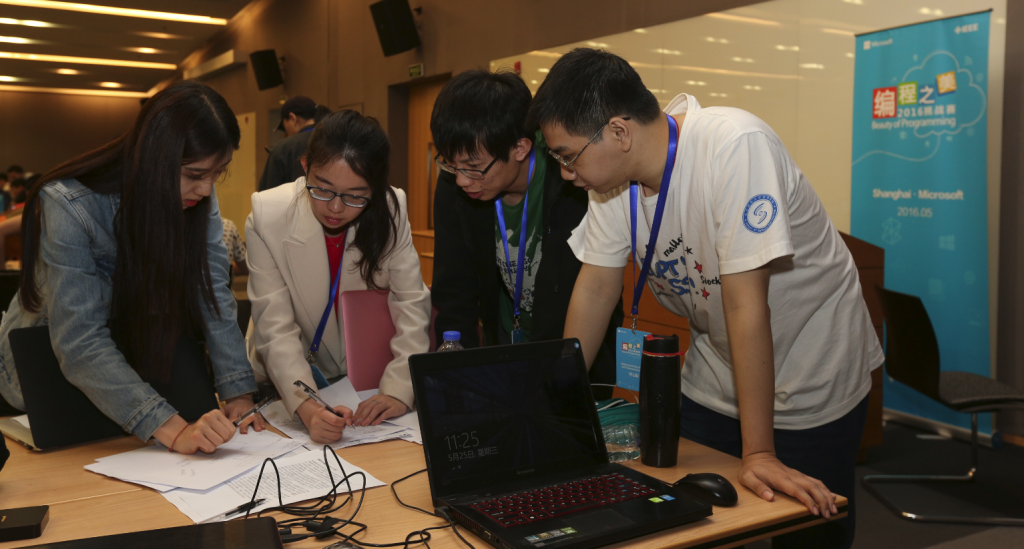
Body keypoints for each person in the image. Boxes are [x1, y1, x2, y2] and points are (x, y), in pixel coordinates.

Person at [527, 48, 882, 549]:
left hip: (811, 368)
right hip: (718, 370)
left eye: (567, 156)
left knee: (809, 530)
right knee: (682, 521)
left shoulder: (735, 145)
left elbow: (745, 305)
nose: (565, 173)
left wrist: (757, 453)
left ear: (619, 132)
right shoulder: (613, 185)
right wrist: (554, 410)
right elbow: (595, 288)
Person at [0, 81, 265, 454]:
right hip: (48, 362)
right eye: (194, 175)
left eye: (216, 173)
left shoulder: (194, 189)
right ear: (155, 158)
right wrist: (173, 432)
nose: (206, 190)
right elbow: (79, 341)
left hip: (138, 349)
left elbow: (212, 291)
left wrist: (238, 390)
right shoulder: (70, 203)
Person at [429, 70, 623, 396]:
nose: (462, 179)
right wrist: (459, 377)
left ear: (520, 148)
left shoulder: (572, 177)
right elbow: (454, 289)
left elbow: (591, 291)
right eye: (451, 164)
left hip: (577, 360)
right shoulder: (457, 184)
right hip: (502, 359)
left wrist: (555, 382)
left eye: (474, 167)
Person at [246, 110, 431, 444]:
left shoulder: (392, 208)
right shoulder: (267, 214)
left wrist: (400, 390)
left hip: (362, 378)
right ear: (305, 168)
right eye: (323, 189)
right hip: (291, 371)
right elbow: (275, 327)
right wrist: (307, 407)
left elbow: (412, 305)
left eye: (355, 195)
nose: (335, 208)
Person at [258, 96, 332, 191]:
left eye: (284, 127)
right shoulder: (334, 141)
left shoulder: (283, 148)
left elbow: (267, 194)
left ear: (293, 118)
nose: (286, 133)